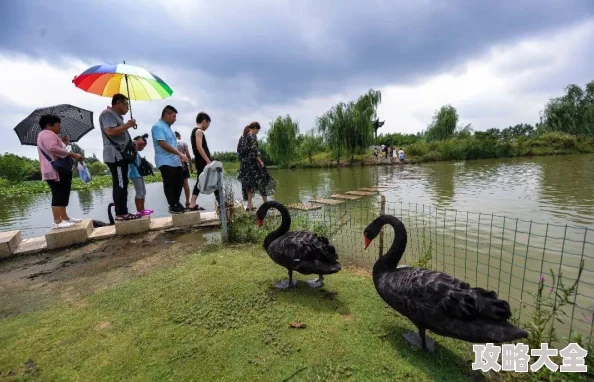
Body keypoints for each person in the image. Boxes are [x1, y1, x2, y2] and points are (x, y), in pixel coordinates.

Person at [37, 114, 84, 229]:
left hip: (54, 168)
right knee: (58, 193)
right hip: (55, 170)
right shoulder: (48, 134)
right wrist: (72, 154)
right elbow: (52, 148)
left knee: (63, 192)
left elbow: (54, 148)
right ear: (49, 125)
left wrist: (63, 143)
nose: (60, 128)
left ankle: (64, 217)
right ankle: (57, 221)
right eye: (58, 125)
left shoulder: (45, 135)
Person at [99, 93, 140, 221]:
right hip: (115, 156)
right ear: (118, 103)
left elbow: (119, 135)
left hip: (120, 156)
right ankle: (121, 213)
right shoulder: (107, 114)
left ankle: (122, 211)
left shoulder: (117, 116)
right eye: (126, 105)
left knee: (123, 182)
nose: (127, 108)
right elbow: (109, 131)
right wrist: (127, 125)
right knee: (120, 184)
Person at [151, 105, 188, 214]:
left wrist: (179, 158)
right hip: (165, 160)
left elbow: (173, 144)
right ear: (166, 114)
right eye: (173, 116)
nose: (175, 119)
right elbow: (162, 143)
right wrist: (180, 154)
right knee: (170, 183)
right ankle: (173, 205)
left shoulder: (170, 129)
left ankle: (176, 203)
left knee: (179, 181)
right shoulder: (158, 127)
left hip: (175, 160)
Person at [237, 121, 276, 210]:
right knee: (262, 182)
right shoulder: (252, 136)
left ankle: (249, 205)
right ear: (254, 128)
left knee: (250, 185)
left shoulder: (244, 138)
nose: (257, 133)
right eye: (257, 131)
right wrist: (260, 161)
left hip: (245, 165)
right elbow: (254, 151)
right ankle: (266, 204)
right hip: (253, 164)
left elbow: (239, 151)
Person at [188, 112, 217, 211]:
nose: (208, 126)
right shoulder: (199, 131)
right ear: (204, 121)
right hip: (203, 161)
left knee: (201, 181)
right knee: (214, 179)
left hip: (199, 160)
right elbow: (199, 147)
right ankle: (221, 202)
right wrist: (208, 161)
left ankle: (192, 203)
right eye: (208, 123)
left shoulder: (194, 131)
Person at [129, 134, 154, 217]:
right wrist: (137, 142)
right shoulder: (131, 146)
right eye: (142, 145)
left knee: (143, 192)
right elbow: (131, 142)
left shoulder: (136, 151)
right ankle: (139, 211)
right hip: (134, 174)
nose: (142, 148)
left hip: (138, 174)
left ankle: (142, 209)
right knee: (139, 192)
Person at [175, 131, 193, 208]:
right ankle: (187, 202)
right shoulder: (183, 143)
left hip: (174, 165)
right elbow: (188, 155)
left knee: (175, 184)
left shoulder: (171, 143)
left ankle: (176, 202)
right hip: (183, 164)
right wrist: (191, 166)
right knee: (185, 184)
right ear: (179, 136)